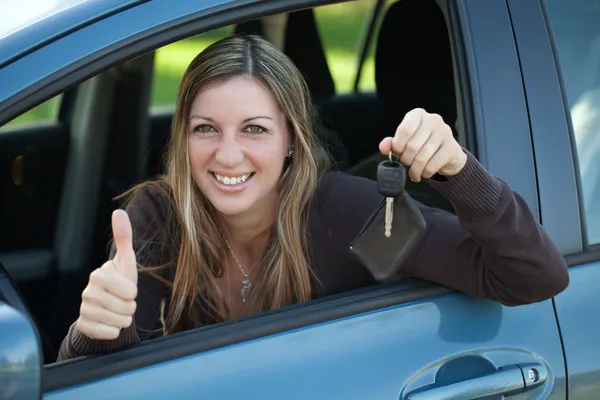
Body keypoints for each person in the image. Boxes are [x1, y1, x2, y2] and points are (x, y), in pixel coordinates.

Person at [57, 34, 569, 361]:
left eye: (255, 129)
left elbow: (534, 275)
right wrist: (94, 329)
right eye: (206, 129)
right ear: (183, 139)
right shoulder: (157, 217)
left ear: (290, 143)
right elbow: (92, 378)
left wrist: (459, 172)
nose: (228, 155)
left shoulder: (346, 215)